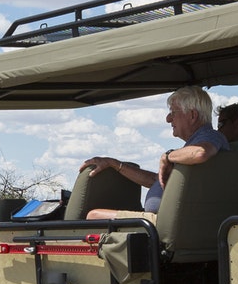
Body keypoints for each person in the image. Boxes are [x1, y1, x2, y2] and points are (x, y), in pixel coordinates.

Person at [80, 86, 228, 219]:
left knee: (94, 216)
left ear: (192, 115)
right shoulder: (193, 146)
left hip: (167, 223)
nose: (168, 118)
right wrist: (115, 164)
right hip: (171, 221)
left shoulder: (211, 136)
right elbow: (157, 181)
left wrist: (168, 156)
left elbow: (200, 153)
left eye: (173, 112)